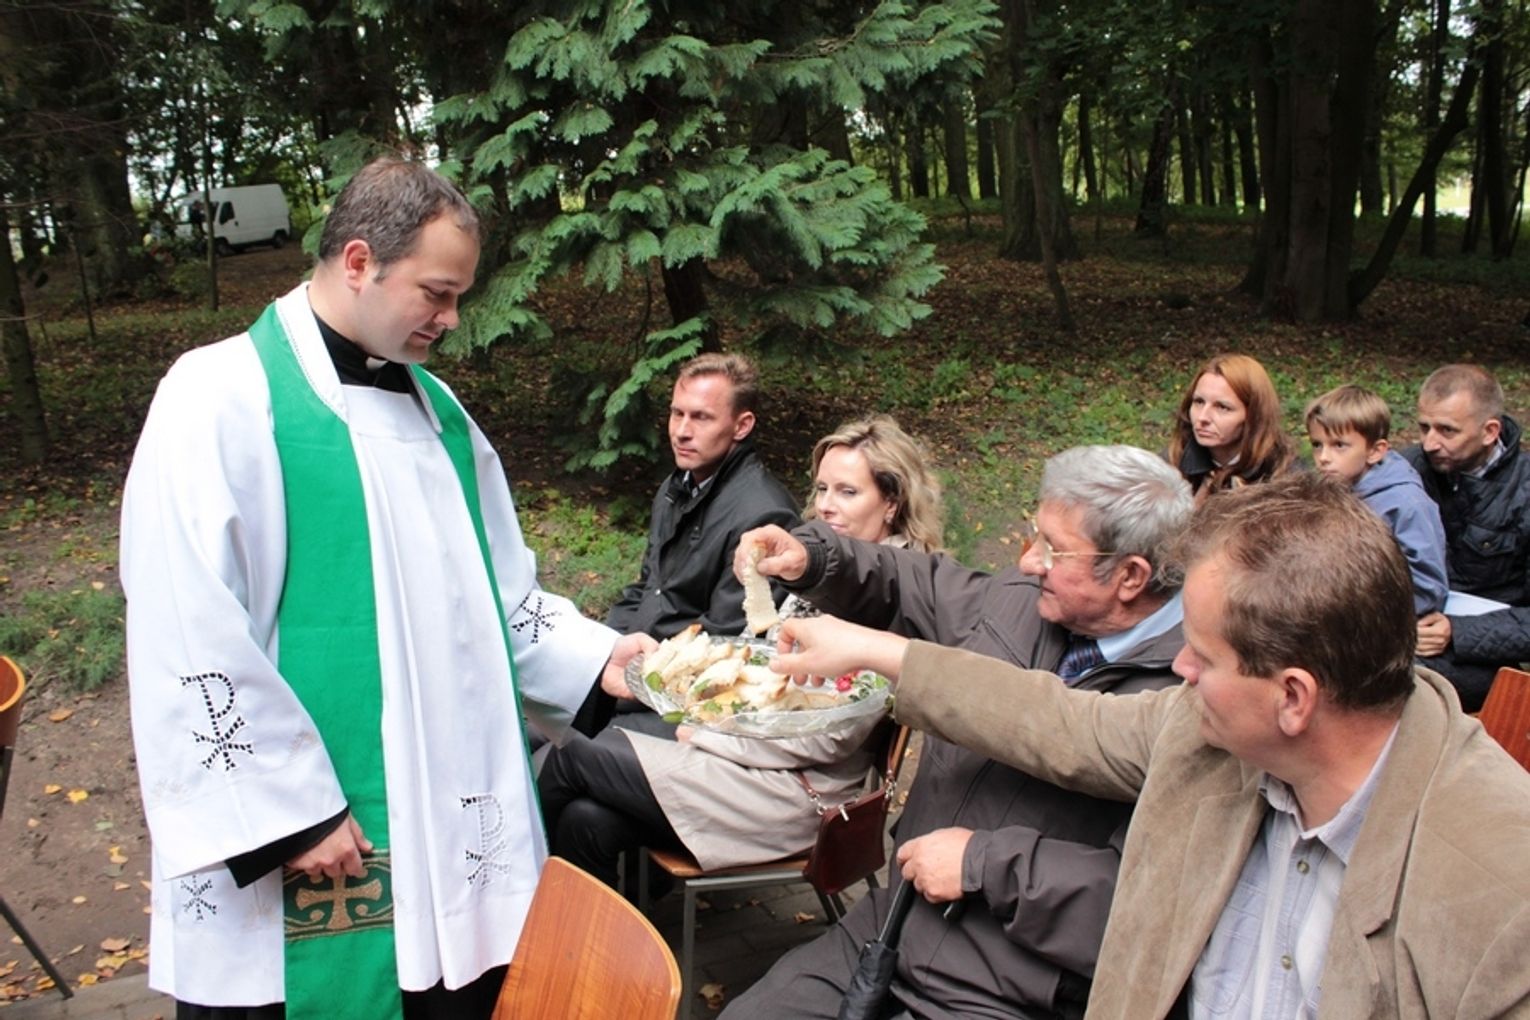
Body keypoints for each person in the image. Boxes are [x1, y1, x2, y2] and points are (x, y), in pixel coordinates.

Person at [120, 157, 653, 1020]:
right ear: (360, 261)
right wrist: (293, 814)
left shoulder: (439, 415)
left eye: (459, 298)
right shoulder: (219, 397)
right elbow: (184, 622)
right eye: (437, 294)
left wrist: (598, 663)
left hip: (441, 834)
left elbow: (492, 595)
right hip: (318, 838)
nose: (451, 319)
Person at [773, 472, 1530, 1019]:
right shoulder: (1207, 736)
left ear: (1293, 698)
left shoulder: (1496, 890)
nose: (1180, 666)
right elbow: (1056, 722)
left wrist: (986, 866)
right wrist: (881, 652)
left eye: (1204, 654)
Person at [722, 445, 1194, 1020]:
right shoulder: (1023, 601)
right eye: (1034, 535)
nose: (1028, 561)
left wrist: (984, 866)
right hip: (895, 922)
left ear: (1130, 576)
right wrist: (813, 559)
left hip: (1009, 983)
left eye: (1053, 548)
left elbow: (1143, 901)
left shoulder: (1192, 698)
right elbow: (910, 582)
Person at [537, 416, 943, 887]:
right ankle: (581, 931)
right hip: (742, 762)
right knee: (587, 821)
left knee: (575, 754)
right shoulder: (826, 572)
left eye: (847, 492)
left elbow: (827, 737)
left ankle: (509, 899)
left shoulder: (889, 598)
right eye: (822, 489)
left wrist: (703, 733)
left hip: (794, 790)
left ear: (891, 502)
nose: (826, 506)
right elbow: (758, 665)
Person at [604, 352, 800, 641]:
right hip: (638, 650)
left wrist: (639, 661)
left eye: (701, 417)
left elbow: (727, 636)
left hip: (684, 663)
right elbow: (648, 588)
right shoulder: (675, 487)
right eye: (677, 413)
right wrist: (608, 644)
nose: (682, 432)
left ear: (742, 426)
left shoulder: (764, 516)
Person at [1404, 364, 1530, 712]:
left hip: (1479, 657)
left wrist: (1457, 632)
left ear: (1490, 431)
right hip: (1401, 628)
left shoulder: (1523, 493)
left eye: (1447, 430)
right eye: (1424, 427)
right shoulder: (1406, 471)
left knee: (1390, 680)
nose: (1430, 443)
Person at [1305, 383, 1448, 615]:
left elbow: (1427, 589)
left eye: (1339, 445)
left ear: (1375, 451)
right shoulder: (1330, 489)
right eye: (1317, 445)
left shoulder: (1406, 505)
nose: (1323, 457)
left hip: (1380, 621)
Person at [1167, 353, 1295, 502]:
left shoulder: (1287, 479)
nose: (1202, 417)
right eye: (1199, 402)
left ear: (1253, 415)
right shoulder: (1168, 466)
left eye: (1222, 407)